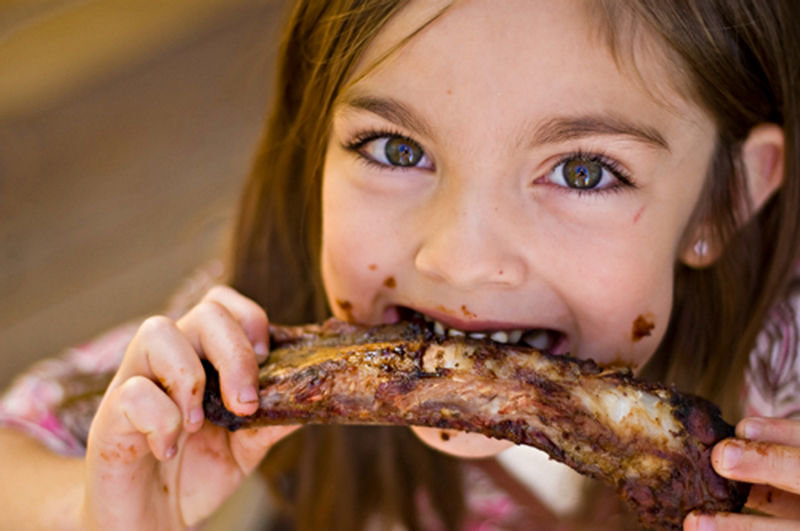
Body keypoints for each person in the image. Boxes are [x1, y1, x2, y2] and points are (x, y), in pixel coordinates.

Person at [1, 0, 799, 529]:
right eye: (395, 148)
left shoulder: (785, 395)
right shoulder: (258, 323)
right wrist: (93, 508)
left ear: (720, 201)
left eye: (583, 170)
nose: (457, 257)